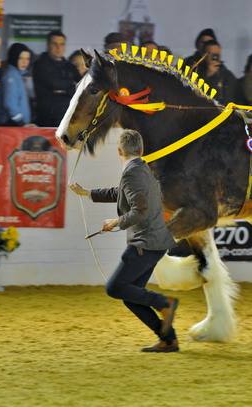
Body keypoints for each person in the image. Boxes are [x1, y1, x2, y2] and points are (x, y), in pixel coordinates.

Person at [69, 130, 180, 353]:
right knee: (130, 296)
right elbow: (122, 194)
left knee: (115, 287)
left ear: (119, 151)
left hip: (144, 243)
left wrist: (115, 222)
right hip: (154, 243)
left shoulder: (132, 173)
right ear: (141, 150)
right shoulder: (142, 169)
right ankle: (168, 340)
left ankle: (164, 303)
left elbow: (139, 210)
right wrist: (87, 193)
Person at [33, 31, 81, 127]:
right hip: (47, 118)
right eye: (54, 44)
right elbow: (55, 84)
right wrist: (71, 85)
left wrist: (64, 89)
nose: (58, 48)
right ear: (48, 45)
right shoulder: (40, 64)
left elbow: (81, 86)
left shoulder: (69, 66)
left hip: (69, 116)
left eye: (62, 44)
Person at [0, 43, 34, 126]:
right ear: (14, 57)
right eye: (21, 58)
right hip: (12, 125)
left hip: (16, 124)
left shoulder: (18, 75)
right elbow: (9, 104)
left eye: (27, 59)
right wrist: (21, 122)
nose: (25, 62)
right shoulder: (11, 76)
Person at [196, 40, 237, 105]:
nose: (215, 57)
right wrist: (209, 75)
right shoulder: (195, 72)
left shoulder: (228, 76)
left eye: (217, 54)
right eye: (211, 54)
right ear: (204, 55)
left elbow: (229, 101)